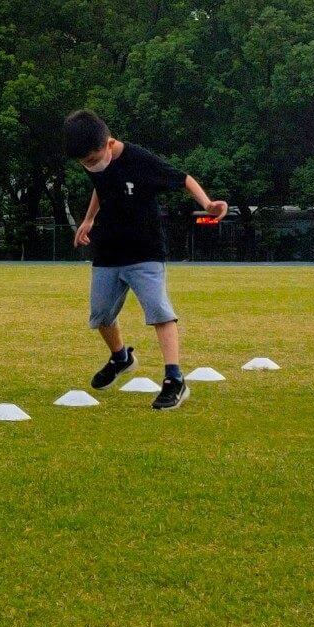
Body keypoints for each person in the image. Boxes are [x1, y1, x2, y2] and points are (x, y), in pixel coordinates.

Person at [63, 109, 228, 410]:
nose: (91, 166)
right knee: (100, 316)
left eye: (93, 159)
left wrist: (208, 203)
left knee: (159, 312)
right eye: (85, 163)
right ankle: (121, 357)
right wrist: (88, 220)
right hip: (108, 250)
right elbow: (102, 187)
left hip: (145, 250)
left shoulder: (140, 160)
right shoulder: (95, 162)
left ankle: (174, 379)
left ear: (109, 143)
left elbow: (184, 179)